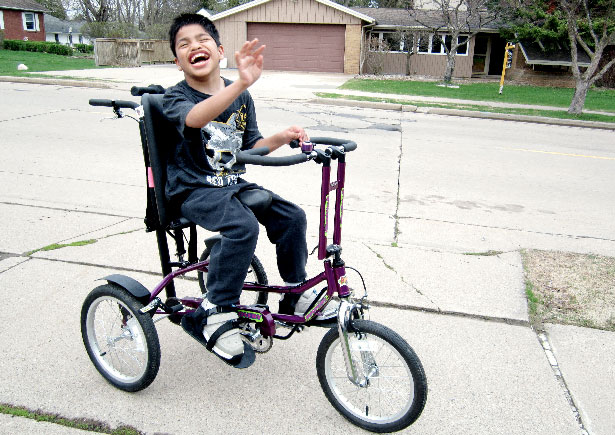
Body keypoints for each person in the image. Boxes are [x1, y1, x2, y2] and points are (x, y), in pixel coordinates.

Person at [163, 13, 336, 368]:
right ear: (177, 61)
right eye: (184, 44)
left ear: (220, 49)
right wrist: (240, 83)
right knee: (243, 227)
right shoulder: (174, 97)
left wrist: (281, 137)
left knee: (292, 216)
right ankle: (213, 309)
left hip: (231, 183)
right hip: (193, 189)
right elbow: (195, 118)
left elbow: (252, 145)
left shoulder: (240, 96)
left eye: (202, 39)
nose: (195, 46)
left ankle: (295, 292)